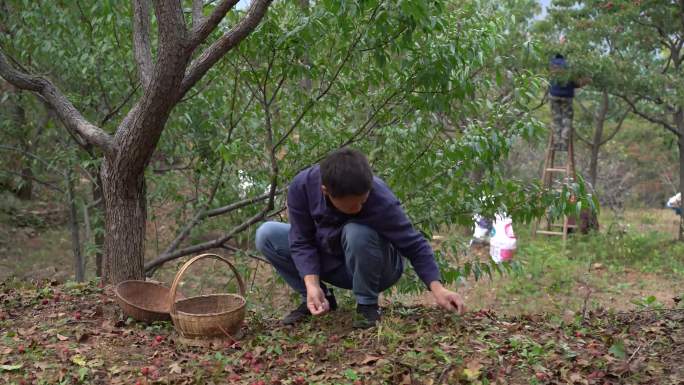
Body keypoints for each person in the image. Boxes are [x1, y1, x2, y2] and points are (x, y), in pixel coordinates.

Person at [255, 148, 465, 328]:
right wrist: (311, 284)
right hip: (333, 260)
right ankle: (319, 299)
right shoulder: (302, 187)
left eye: (363, 201)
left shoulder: (379, 195)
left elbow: (414, 244)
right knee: (267, 234)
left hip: (379, 267)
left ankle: (367, 306)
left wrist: (438, 289)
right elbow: (301, 240)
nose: (359, 208)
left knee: (357, 230)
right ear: (326, 191)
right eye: (352, 204)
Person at [548, 53, 588, 151]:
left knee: (556, 119)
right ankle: (564, 143)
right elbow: (576, 83)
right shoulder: (571, 64)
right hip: (567, 96)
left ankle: (556, 144)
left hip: (554, 95)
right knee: (567, 118)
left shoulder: (551, 63)